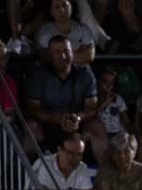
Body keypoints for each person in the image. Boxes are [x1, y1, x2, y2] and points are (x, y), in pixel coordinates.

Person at [25, 35, 107, 163]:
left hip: (78, 125)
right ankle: (25, 176)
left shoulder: (85, 74)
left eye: (66, 51)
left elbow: (92, 107)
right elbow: (32, 109)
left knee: (97, 126)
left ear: (72, 52)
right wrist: (56, 118)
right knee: (31, 127)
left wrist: (78, 118)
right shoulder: (38, 75)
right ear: (50, 55)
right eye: (57, 52)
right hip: (47, 125)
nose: (63, 56)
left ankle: (104, 177)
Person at [34, 0, 96, 66]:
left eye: (65, 5)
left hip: (81, 70)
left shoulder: (83, 29)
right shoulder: (44, 32)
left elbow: (89, 56)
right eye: (57, 7)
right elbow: (47, 58)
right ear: (51, 12)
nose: (62, 10)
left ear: (71, 7)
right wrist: (78, 52)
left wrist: (59, 54)